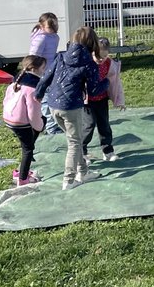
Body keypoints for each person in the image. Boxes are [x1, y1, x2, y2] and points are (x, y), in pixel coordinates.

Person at [35, 26, 108, 190]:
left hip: (54, 106)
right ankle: (68, 180)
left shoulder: (60, 56)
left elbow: (45, 78)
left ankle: (83, 171)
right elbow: (94, 90)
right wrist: (107, 82)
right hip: (71, 107)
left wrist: (38, 95)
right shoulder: (89, 64)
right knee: (74, 143)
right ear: (92, 43)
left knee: (74, 139)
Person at [2, 54, 46, 187]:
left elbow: (6, 101)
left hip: (9, 118)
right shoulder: (33, 88)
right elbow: (33, 114)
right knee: (28, 149)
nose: (45, 70)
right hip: (21, 123)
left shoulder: (16, 81)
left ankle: (22, 171)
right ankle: (23, 179)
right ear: (34, 69)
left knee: (26, 143)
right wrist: (40, 126)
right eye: (43, 68)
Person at [83, 37, 125, 163]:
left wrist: (119, 100)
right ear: (92, 53)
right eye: (99, 57)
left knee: (104, 125)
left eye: (105, 56)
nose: (101, 60)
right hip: (87, 102)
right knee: (88, 126)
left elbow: (115, 83)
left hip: (101, 99)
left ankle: (107, 150)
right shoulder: (87, 64)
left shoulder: (109, 64)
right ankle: (81, 152)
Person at [29, 13, 62, 135]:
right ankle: (50, 127)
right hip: (42, 73)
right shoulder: (41, 38)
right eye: (50, 27)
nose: (53, 29)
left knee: (52, 96)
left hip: (51, 71)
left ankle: (51, 124)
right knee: (46, 99)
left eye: (55, 26)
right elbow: (33, 57)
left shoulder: (54, 36)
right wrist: (37, 71)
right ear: (42, 26)